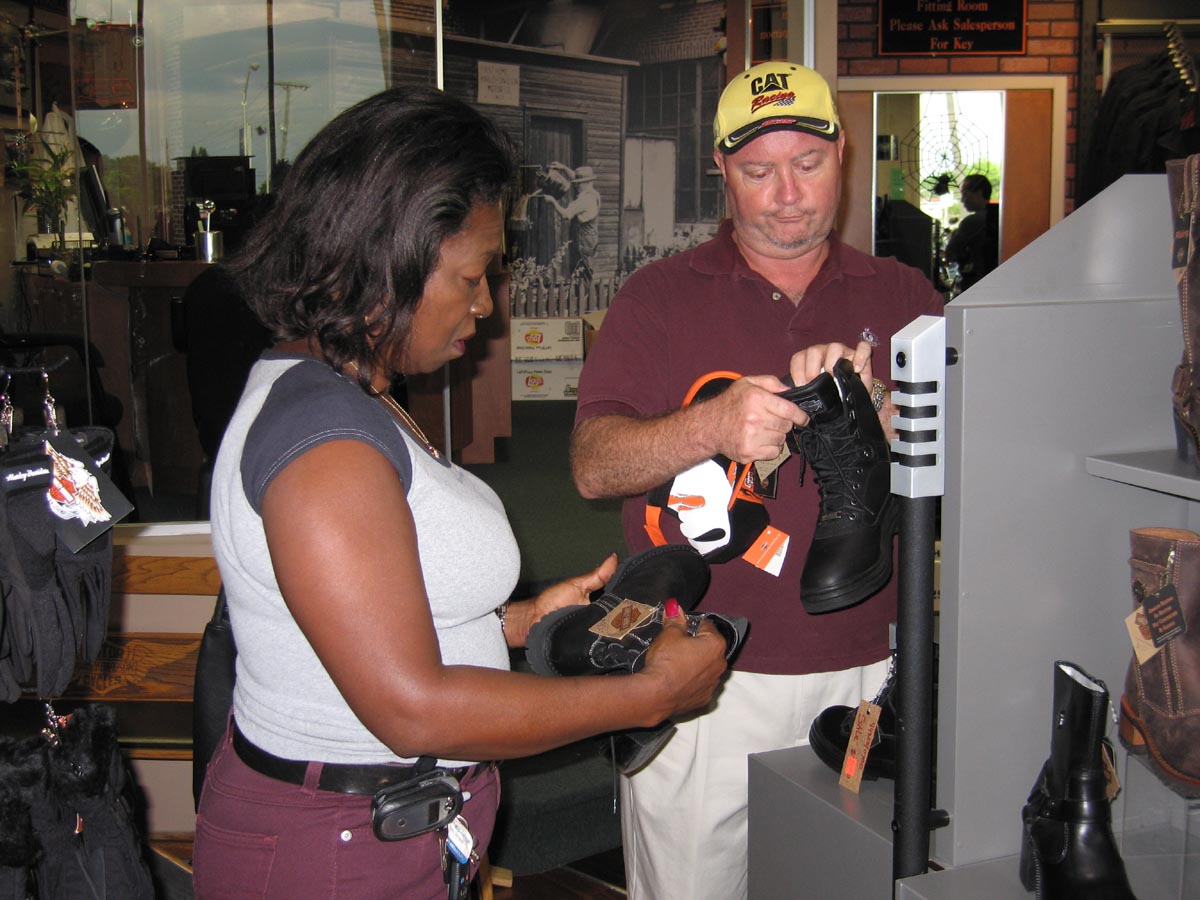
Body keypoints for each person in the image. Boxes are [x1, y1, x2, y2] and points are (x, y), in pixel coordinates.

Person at [190, 87, 729, 900]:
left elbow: (366, 618)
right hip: (335, 853)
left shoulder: (347, 390)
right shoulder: (326, 447)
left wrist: (517, 621)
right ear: (390, 259)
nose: (486, 304)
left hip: (383, 830)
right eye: (473, 276)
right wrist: (647, 696)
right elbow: (412, 710)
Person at [570, 61, 945, 900]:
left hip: (867, 667)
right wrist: (709, 425)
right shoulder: (658, 298)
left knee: (852, 887)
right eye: (758, 172)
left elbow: (984, 461)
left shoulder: (905, 295)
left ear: (842, 154)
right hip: (702, 671)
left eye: (807, 165)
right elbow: (594, 466)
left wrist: (894, 420)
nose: (788, 196)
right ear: (720, 169)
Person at [538, 162, 601, 285]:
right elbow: (575, 177)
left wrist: (553, 201)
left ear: (586, 183)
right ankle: (584, 293)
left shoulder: (584, 200)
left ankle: (583, 295)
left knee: (582, 274)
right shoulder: (594, 194)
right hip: (591, 239)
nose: (576, 186)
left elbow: (566, 215)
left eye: (578, 184)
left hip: (582, 242)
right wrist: (563, 168)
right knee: (585, 270)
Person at [944, 173, 998, 290]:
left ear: (978, 193)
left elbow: (951, 253)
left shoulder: (972, 222)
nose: (962, 200)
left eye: (965, 194)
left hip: (978, 283)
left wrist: (952, 237)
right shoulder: (999, 216)